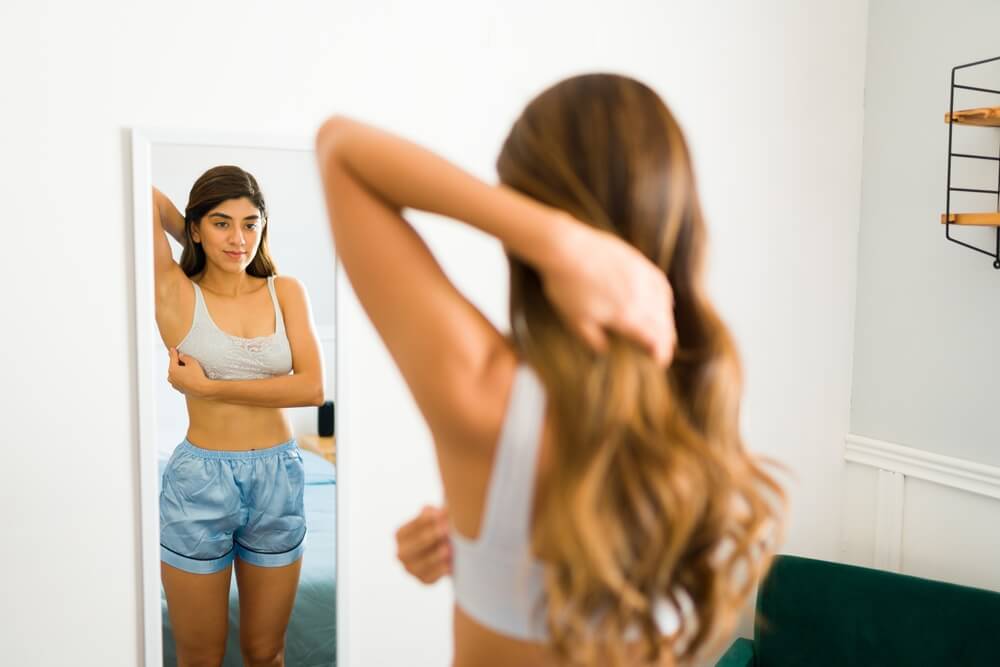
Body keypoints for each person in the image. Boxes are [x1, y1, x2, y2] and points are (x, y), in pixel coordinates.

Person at [316, 73, 785, 666]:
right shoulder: (705, 382)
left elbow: (340, 149)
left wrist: (558, 241)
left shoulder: (483, 391)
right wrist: (478, 545)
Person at [152, 166, 326, 667]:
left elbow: (312, 388)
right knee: (200, 655)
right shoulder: (176, 292)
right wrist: (188, 223)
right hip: (200, 482)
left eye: (251, 223)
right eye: (221, 223)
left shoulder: (285, 291)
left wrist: (210, 388)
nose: (239, 238)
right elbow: (143, 197)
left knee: (266, 652)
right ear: (195, 228)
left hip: (280, 475)